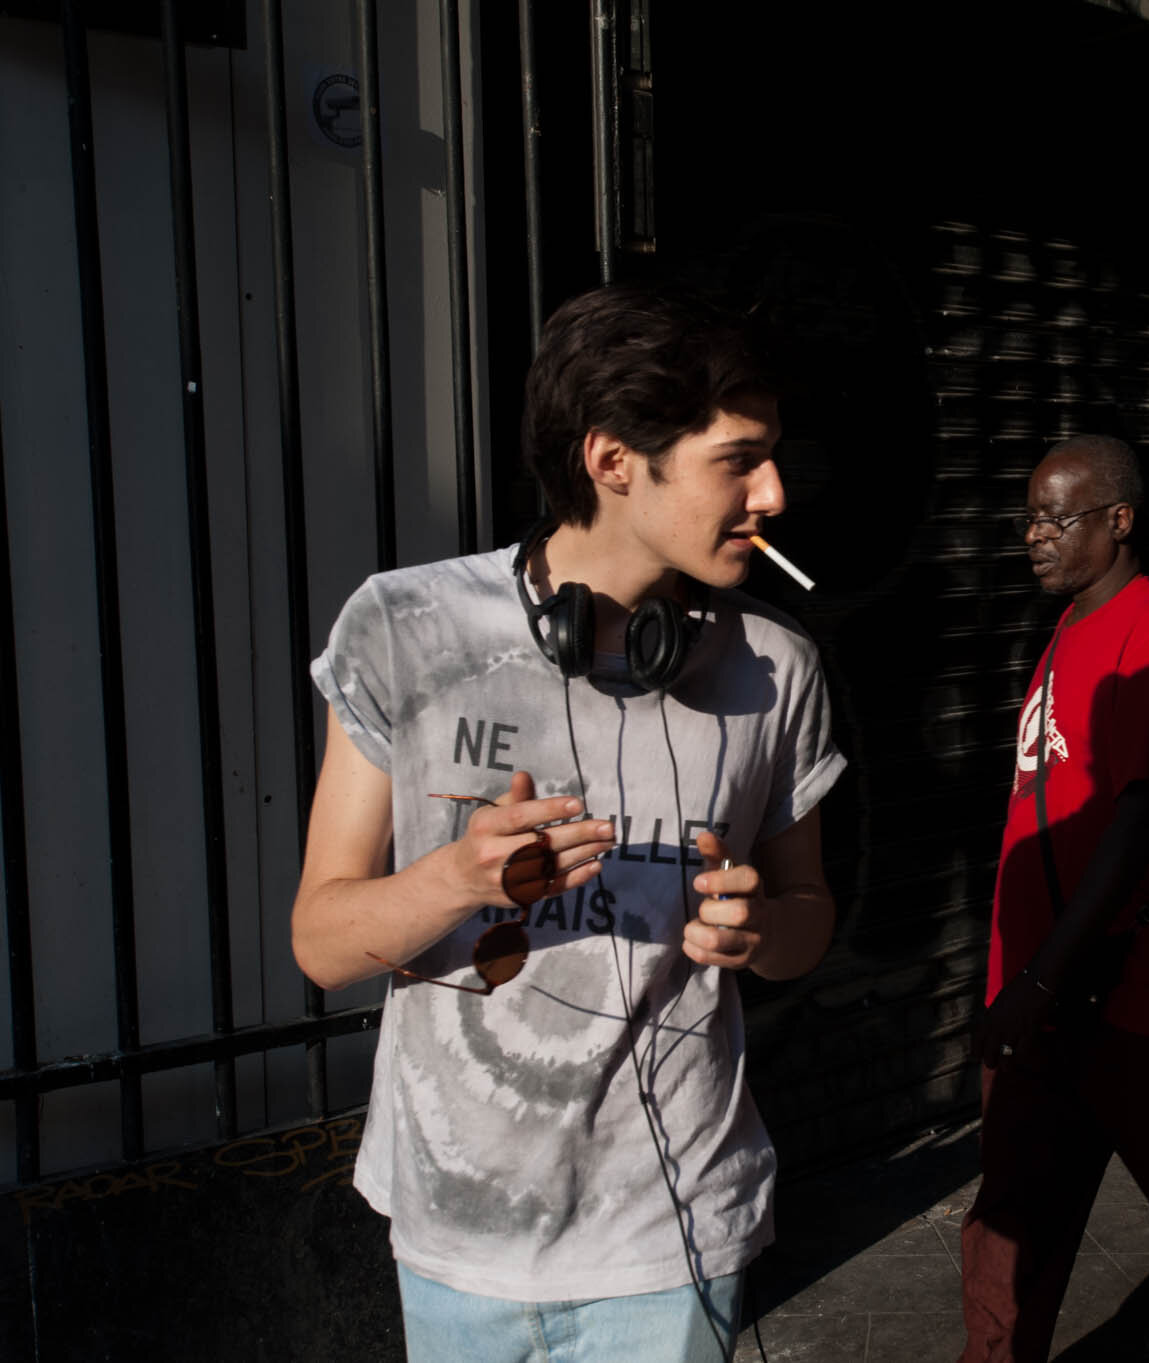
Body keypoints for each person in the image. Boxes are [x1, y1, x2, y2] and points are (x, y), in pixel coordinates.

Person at [291, 284, 846, 1361]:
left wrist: (759, 931)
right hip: (458, 1236)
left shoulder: (777, 669)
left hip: (670, 1238)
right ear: (610, 459)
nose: (773, 491)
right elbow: (320, 943)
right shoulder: (405, 629)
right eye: (737, 458)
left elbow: (808, 919)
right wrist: (457, 878)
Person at [959, 435, 1149, 1363]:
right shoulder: (1070, 629)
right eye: (1031, 517)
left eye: (1057, 516)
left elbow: (1148, 815)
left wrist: (1042, 982)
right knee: (1009, 1216)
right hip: (1049, 999)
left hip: (1139, 997)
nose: (1035, 536)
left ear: (1120, 520)